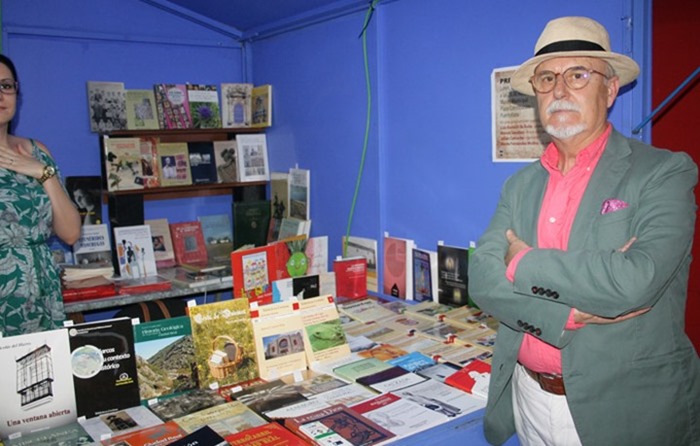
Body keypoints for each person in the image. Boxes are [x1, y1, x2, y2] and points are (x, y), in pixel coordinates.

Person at [468, 17, 700, 446]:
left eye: (578, 75)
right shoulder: (520, 185)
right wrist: (566, 315)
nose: (559, 90)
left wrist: (521, 261)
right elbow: (482, 279)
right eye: (547, 78)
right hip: (528, 399)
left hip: (624, 411)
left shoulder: (663, 172)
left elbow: (635, 280)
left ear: (609, 90)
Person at [0, 54, 81, 337]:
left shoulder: (37, 151)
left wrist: (43, 173)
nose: (0, 95)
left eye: (6, 86)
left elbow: (70, 234)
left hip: (43, 293)